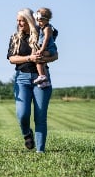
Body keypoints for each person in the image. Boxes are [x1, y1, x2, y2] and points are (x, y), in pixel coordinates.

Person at [7, 8, 58, 153]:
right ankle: (26, 133)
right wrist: (30, 58)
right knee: (22, 114)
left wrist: (43, 58)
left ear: (30, 20)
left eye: (22, 20)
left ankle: (40, 151)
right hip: (22, 78)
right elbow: (11, 59)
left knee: (40, 116)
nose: (19, 23)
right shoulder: (15, 37)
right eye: (17, 20)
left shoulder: (41, 34)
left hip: (41, 77)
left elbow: (55, 55)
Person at [33, 7, 58, 88]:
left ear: (47, 20)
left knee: (38, 58)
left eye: (40, 21)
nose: (39, 23)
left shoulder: (47, 28)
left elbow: (46, 40)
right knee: (42, 63)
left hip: (49, 49)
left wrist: (41, 50)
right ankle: (45, 82)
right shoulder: (43, 27)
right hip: (47, 48)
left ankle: (42, 76)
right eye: (37, 21)